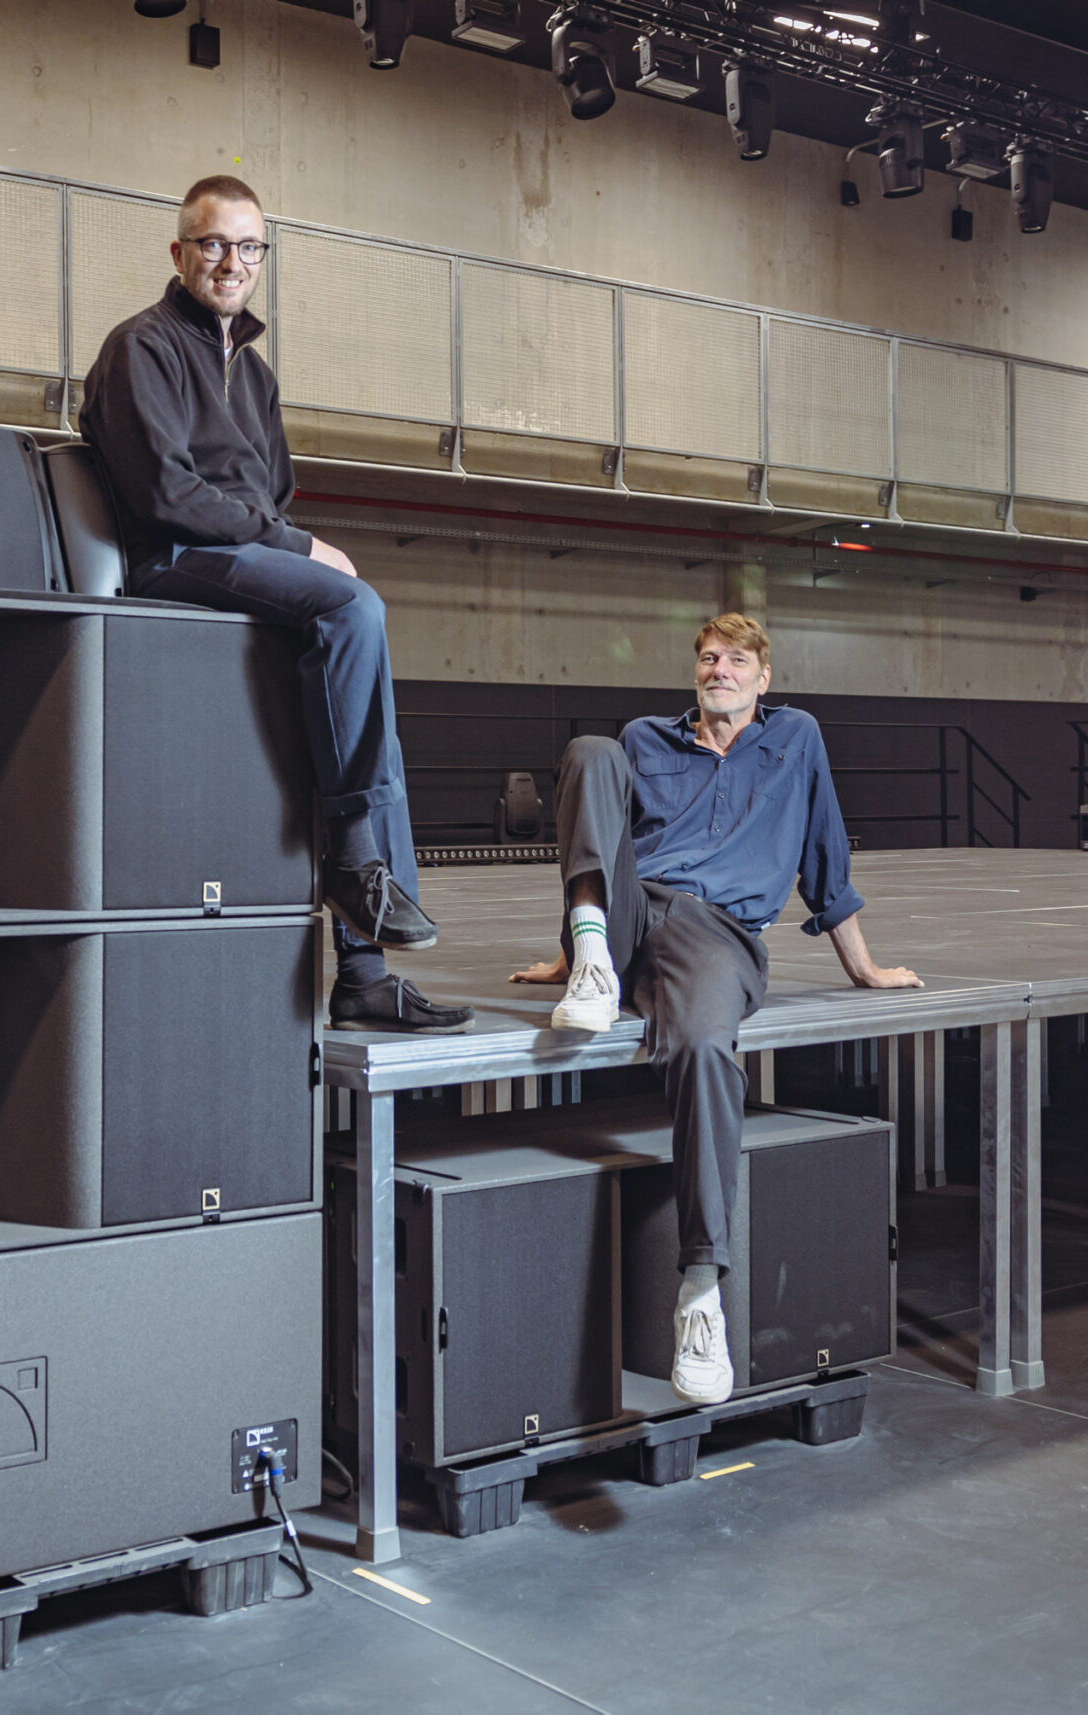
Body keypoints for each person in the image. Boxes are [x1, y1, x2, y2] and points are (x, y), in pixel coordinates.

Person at [81, 175, 469, 1035]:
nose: (231, 262)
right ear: (179, 252)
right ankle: (357, 862)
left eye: (249, 247)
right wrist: (298, 549)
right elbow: (164, 495)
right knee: (355, 610)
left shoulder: (253, 375)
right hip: (172, 559)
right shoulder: (139, 348)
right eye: (214, 244)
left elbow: (275, 494)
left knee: (368, 706)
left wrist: (288, 542)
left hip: (242, 556)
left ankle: (364, 973)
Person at [510, 614, 920, 1403]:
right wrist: (571, 950)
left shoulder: (796, 739)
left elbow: (825, 855)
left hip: (718, 931)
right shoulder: (644, 737)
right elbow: (603, 841)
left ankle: (700, 1289)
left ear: (764, 678)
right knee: (588, 750)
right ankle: (591, 964)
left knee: (703, 1047)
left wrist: (862, 965)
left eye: (736, 659)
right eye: (707, 657)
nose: (718, 669)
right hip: (630, 918)